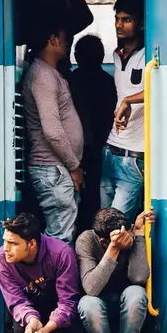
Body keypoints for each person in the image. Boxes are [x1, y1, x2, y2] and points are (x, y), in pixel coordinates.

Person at [21, 20, 85, 244]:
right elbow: (53, 132)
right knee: (61, 236)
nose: (68, 43)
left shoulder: (48, 74)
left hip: (55, 168)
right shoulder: (43, 77)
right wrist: (75, 167)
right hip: (52, 169)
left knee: (63, 230)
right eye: (65, 38)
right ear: (53, 40)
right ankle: (55, 280)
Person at [76, 207, 153, 333]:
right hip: (100, 301)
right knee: (87, 303)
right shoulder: (86, 240)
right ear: (103, 240)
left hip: (127, 302)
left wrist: (138, 235)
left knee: (137, 293)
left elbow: (139, 277)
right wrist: (114, 248)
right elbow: (91, 288)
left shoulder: (130, 234)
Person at [101, 2, 147, 218]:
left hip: (134, 156)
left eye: (126, 20)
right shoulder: (117, 55)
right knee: (104, 222)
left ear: (142, 24)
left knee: (113, 225)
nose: (119, 25)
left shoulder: (150, 56)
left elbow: (163, 88)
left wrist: (128, 101)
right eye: (117, 19)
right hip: (111, 151)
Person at [67, 36, 117, 229]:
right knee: (100, 195)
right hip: (105, 146)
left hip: (75, 149)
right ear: (101, 56)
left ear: (77, 56)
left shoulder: (71, 80)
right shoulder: (109, 82)